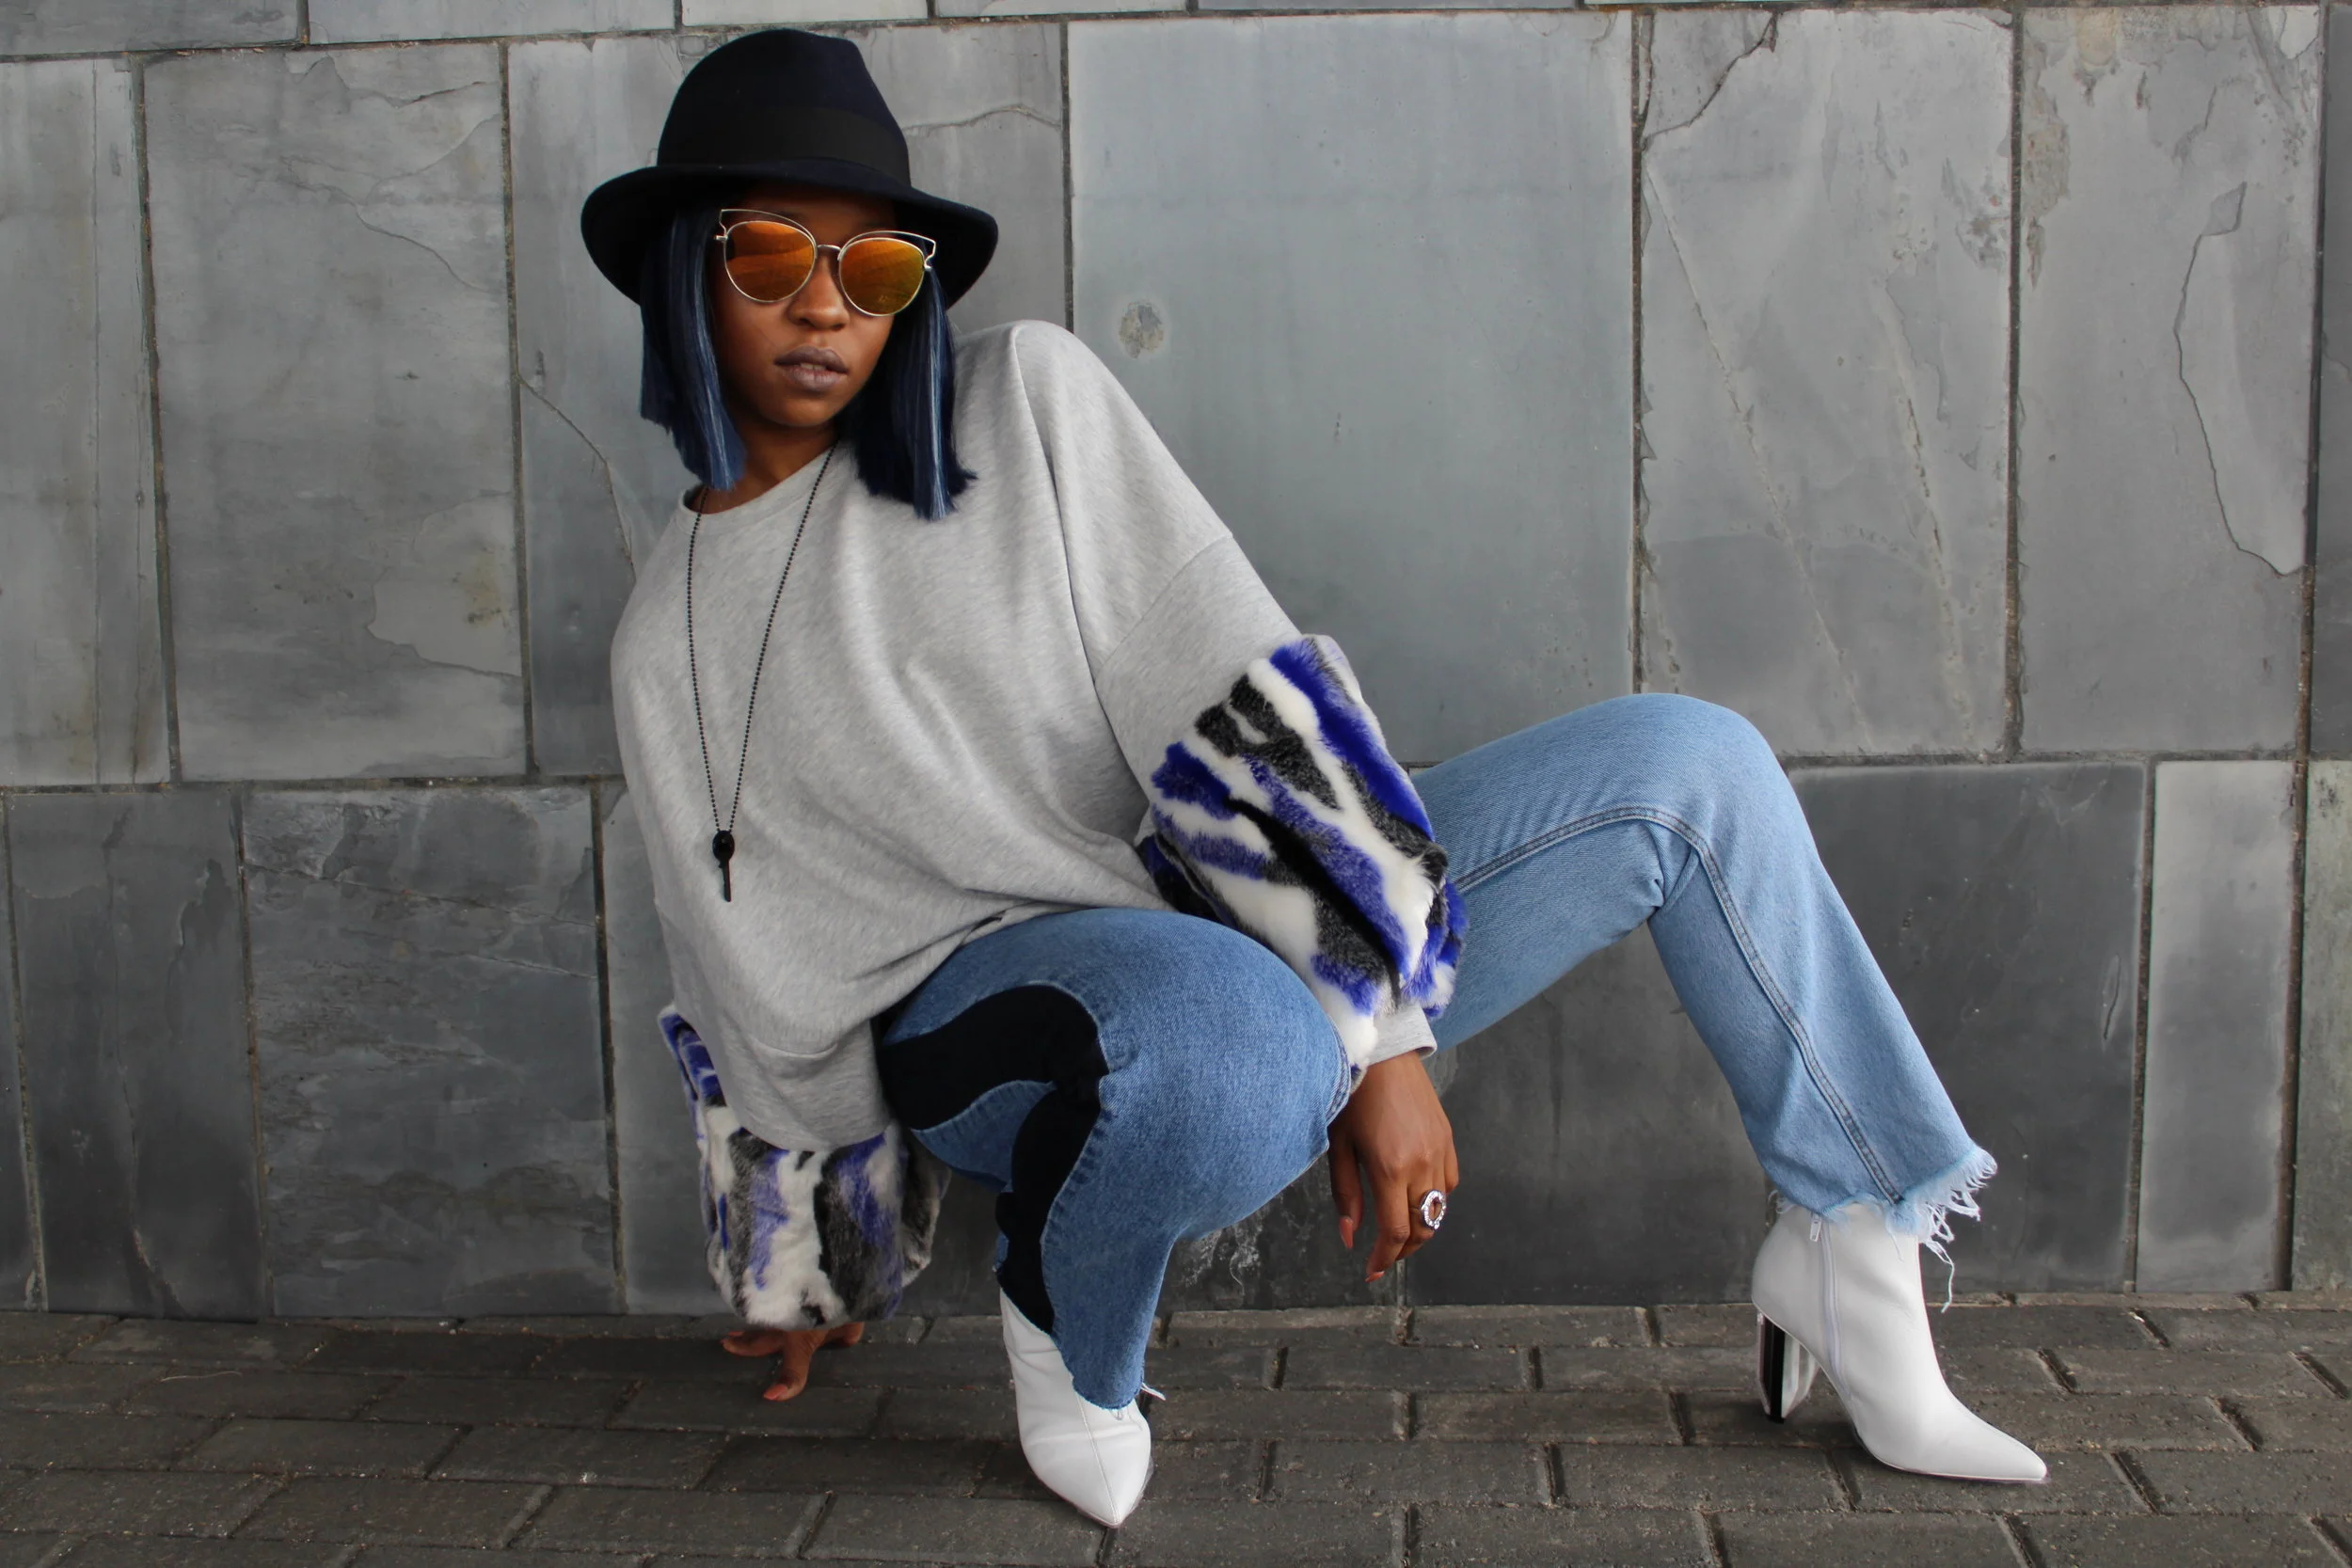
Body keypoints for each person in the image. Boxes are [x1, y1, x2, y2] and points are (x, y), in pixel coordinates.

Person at [580, 28, 2048, 1528]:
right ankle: (1069, 1325)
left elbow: (1230, 689)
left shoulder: (1016, 403)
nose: (826, 304)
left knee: (1692, 769)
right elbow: (749, 971)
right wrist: (814, 1262)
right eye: (773, 254)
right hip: (978, 1015)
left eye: (876, 267)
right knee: (1236, 1040)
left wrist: (1384, 1034)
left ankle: (1853, 1240)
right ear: (688, 266)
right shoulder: (664, 643)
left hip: (1229, 910)